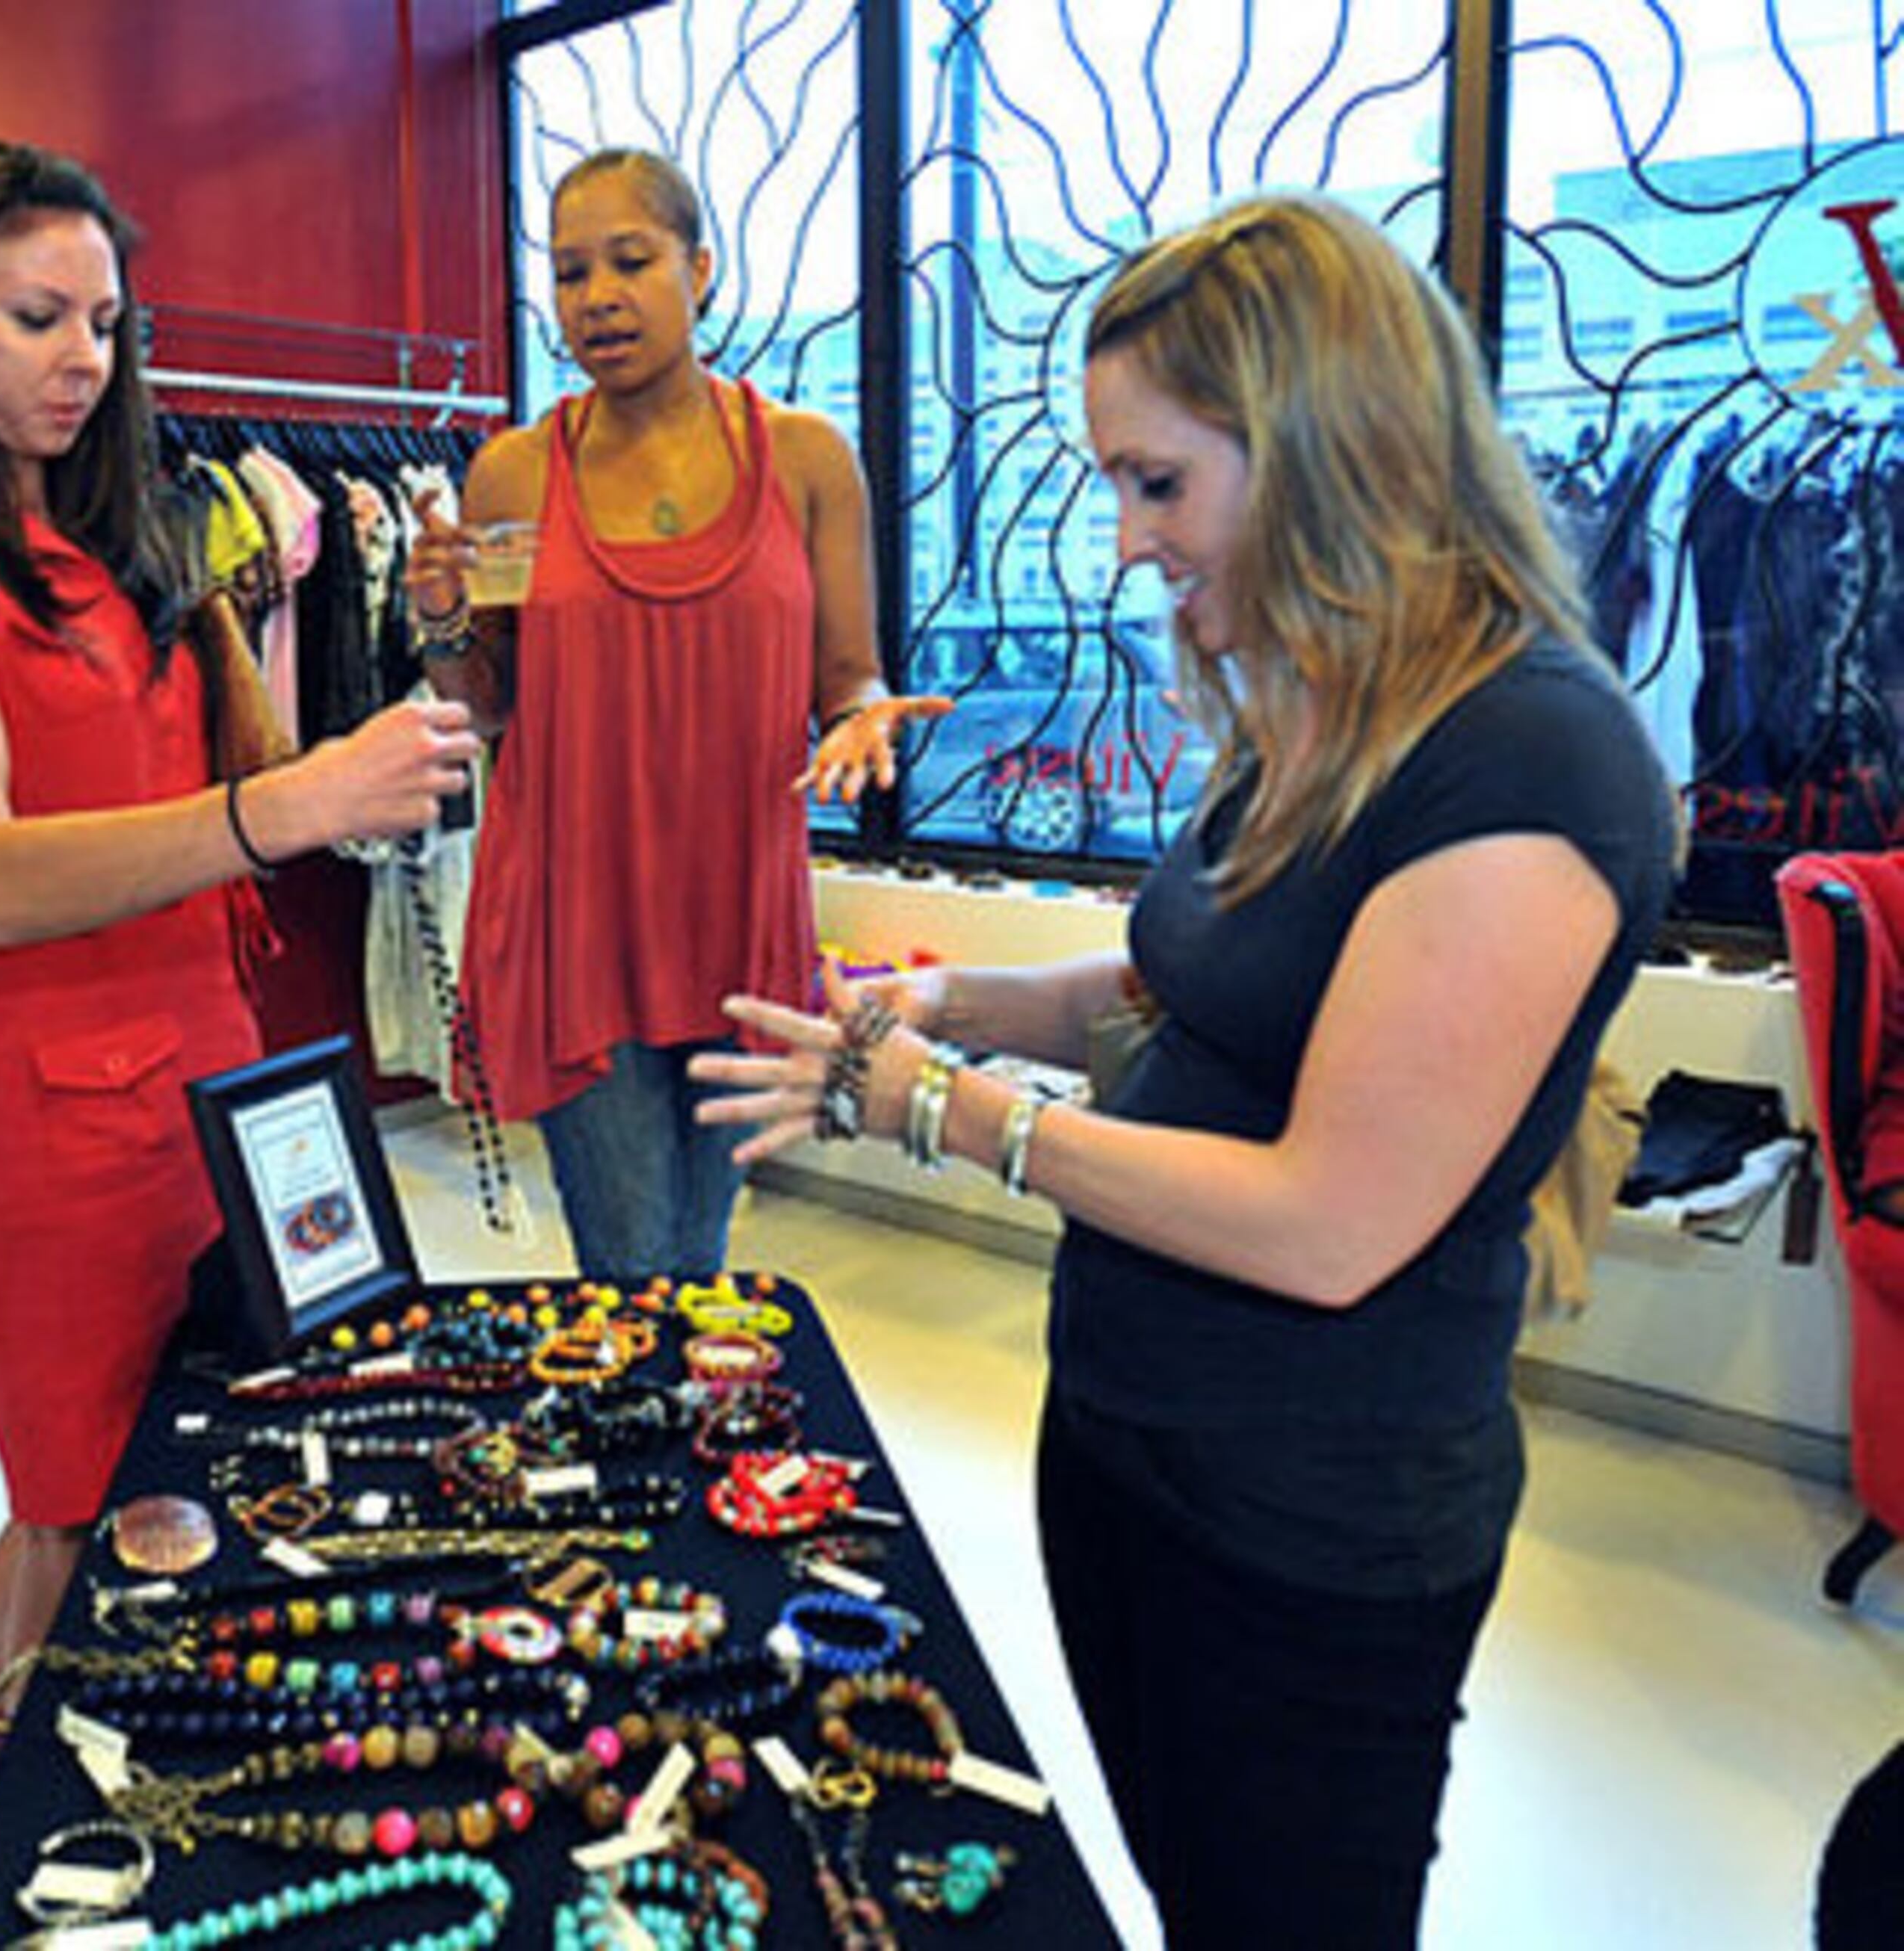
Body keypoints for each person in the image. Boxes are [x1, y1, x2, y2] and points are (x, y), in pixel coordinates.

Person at [693, 192, 1679, 1950]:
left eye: (1161, 482)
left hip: (1313, 1517)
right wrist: (940, 1005)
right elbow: (1182, 988)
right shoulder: (1321, 700)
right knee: (1178, 1884)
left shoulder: (1530, 756)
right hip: (1134, 1436)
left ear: (1322, 444)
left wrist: (945, 1113)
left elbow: (1326, 1221)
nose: (1133, 541)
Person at [0, 140, 478, 1721]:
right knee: (75, 1528)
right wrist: (287, 806)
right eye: (36, 317)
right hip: (52, 1139)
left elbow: (212, 786)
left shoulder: (111, 535)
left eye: (104, 321)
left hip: (208, 1099)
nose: (83, 360)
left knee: (163, 1506)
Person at [402, 145, 944, 1281]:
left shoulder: (804, 460)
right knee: (639, 1263)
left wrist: (860, 718)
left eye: (630, 262)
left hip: (737, 917)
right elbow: (487, 710)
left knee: (694, 1255)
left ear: (700, 269)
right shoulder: (511, 475)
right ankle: (660, 1446)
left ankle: (671, 1448)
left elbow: (850, 669)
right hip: (573, 927)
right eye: (570, 273)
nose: (597, 298)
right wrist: (444, 620)